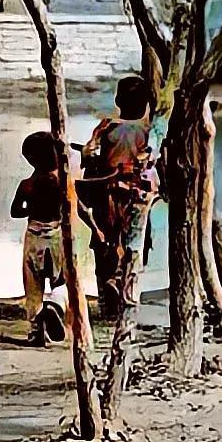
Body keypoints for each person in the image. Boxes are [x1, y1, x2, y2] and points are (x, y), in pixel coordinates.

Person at [79, 75, 161, 321]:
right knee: (136, 247)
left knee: (104, 246)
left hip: (107, 196)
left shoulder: (107, 127)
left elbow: (88, 155)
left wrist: (92, 148)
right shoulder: (149, 132)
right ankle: (127, 301)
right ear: (147, 103)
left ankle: (108, 305)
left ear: (117, 100)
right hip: (138, 198)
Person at [11, 131, 68, 344]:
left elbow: (15, 211)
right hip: (56, 235)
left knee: (33, 285)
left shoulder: (27, 184)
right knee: (61, 279)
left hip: (33, 236)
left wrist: (31, 208)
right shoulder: (61, 182)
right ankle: (55, 306)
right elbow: (75, 207)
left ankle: (36, 331)